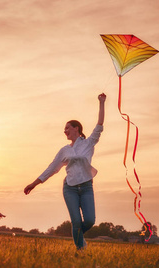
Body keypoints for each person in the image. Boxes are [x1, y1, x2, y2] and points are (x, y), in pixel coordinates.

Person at [24, 93, 106, 250]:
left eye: (67, 128)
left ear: (76, 129)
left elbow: (100, 124)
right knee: (76, 221)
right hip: (70, 188)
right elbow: (51, 168)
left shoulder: (89, 143)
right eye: (64, 129)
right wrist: (34, 183)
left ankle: (78, 239)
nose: (65, 131)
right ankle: (80, 250)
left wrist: (101, 102)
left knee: (89, 221)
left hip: (86, 187)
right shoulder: (64, 151)